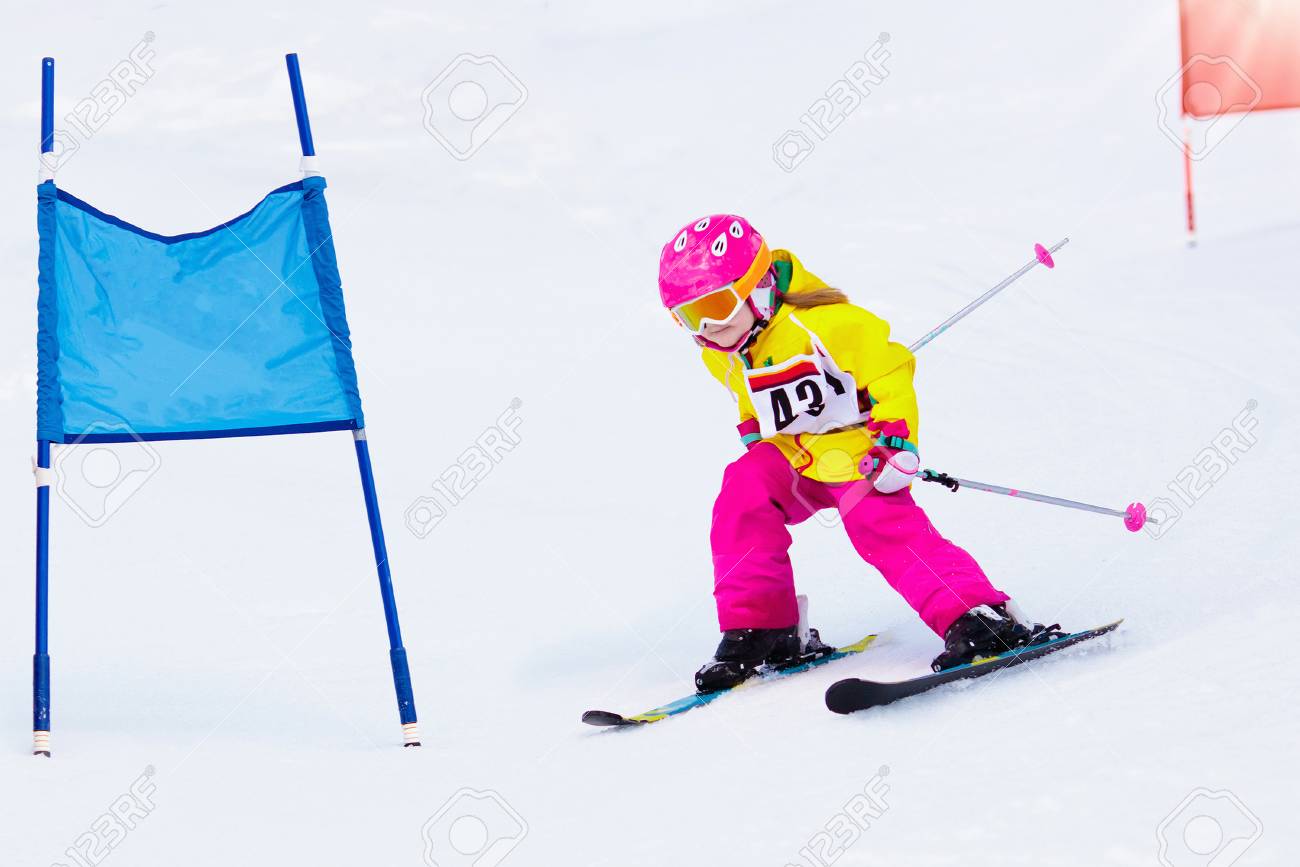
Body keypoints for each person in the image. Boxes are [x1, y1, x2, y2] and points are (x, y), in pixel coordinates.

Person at [657, 214, 1059, 692]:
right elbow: (750, 397)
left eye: (717, 306)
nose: (706, 327)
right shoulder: (720, 351)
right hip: (798, 458)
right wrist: (753, 433)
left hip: (858, 454)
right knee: (741, 491)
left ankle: (976, 616)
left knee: (878, 525)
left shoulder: (828, 326)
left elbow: (891, 370)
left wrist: (897, 440)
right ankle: (761, 628)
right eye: (687, 316)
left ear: (758, 286)